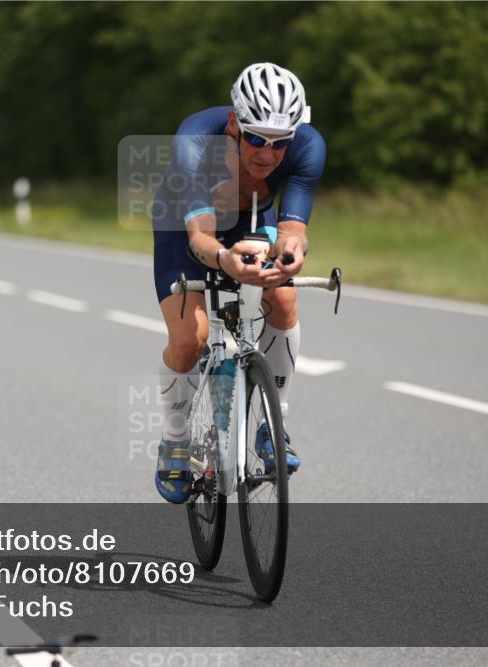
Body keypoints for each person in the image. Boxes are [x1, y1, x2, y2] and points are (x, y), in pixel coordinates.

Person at [151, 63, 326, 503]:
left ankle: (274, 427)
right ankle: (175, 439)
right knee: (191, 337)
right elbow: (200, 237)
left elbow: (293, 227)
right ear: (234, 123)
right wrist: (226, 259)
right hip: (186, 221)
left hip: (251, 212)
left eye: (279, 143)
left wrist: (292, 252)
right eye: (255, 139)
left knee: (283, 298)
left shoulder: (309, 147)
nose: (267, 154)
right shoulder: (195, 139)